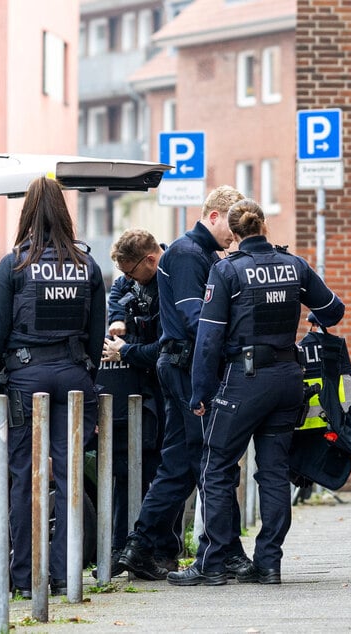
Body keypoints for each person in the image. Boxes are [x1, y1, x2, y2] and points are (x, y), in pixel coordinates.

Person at [168, 199, 345, 586]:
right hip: (289, 379)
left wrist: (200, 393)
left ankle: (212, 563)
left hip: (244, 381)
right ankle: (268, 563)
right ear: (264, 226)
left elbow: (209, 339)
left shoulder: (226, 271)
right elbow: (333, 310)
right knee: (275, 472)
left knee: (217, 466)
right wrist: (312, 319)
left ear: (234, 233)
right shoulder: (294, 266)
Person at [0, 176, 104, 598]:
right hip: (74, 379)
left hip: (26, 380)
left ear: (27, 214)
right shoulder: (87, 266)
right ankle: (64, 574)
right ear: (64, 213)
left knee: (23, 476)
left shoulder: (15, 265)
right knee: (69, 477)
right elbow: (96, 336)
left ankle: (24, 577)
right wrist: (87, 379)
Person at [117, 185, 250, 580]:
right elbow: (198, 321)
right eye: (231, 227)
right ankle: (226, 552)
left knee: (180, 463)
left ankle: (140, 545)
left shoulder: (199, 253)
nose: (235, 235)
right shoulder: (190, 254)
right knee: (212, 460)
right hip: (188, 368)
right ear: (214, 216)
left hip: (182, 366)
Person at [99, 229, 172, 576]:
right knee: (128, 469)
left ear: (150, 260)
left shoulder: (171, 281)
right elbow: (118, 290)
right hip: (139, 390)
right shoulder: (132, 279)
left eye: (132, 271)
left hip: (165, 391)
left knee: (162, 471)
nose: (129, 278)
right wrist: (117, 316)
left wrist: (126, 351)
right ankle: (122, 548)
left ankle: (160, 551)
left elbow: (166, 347)